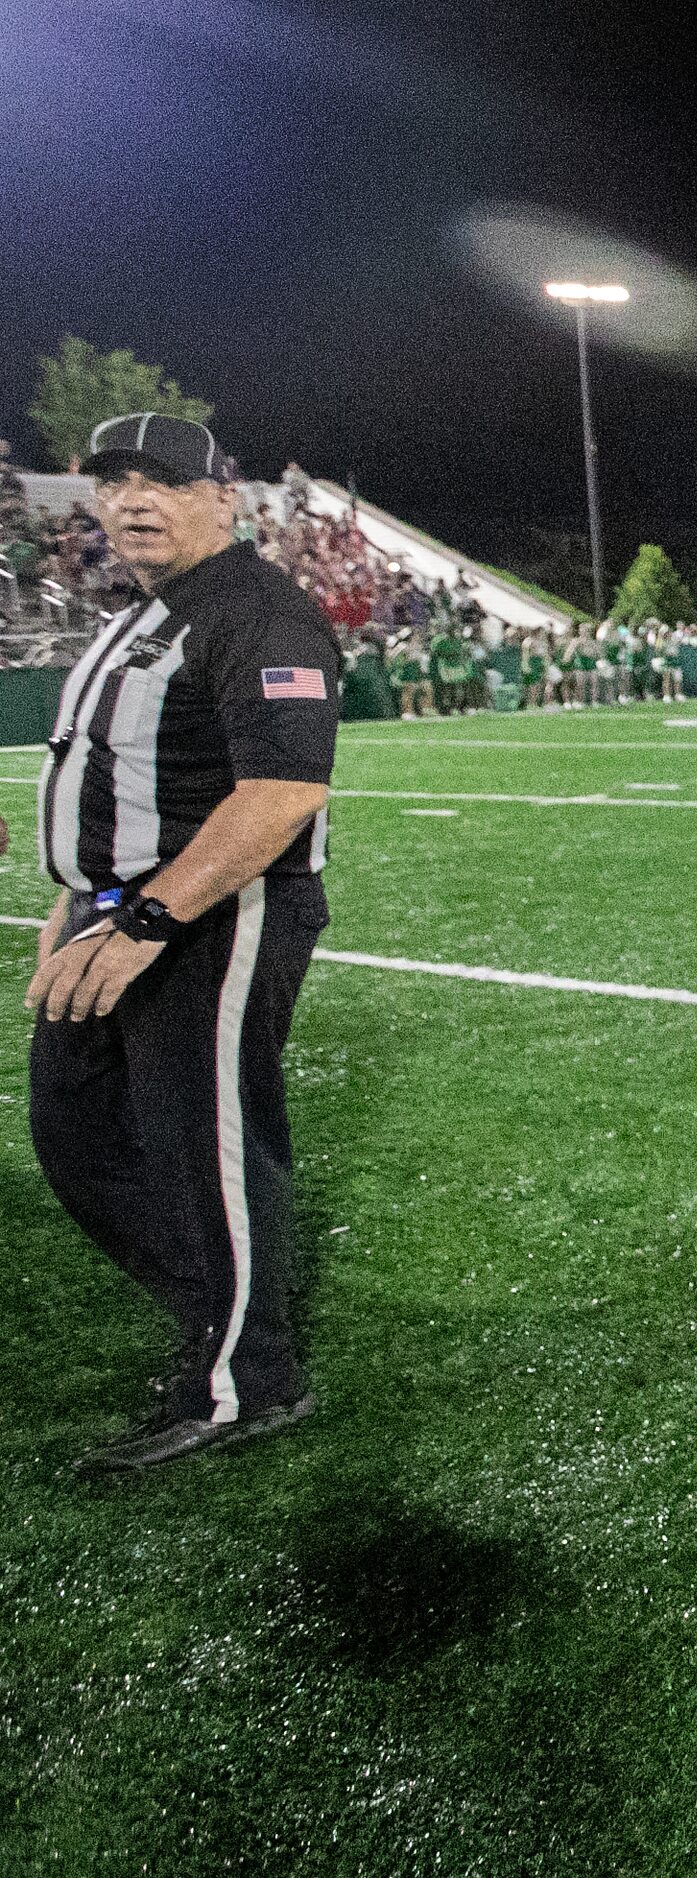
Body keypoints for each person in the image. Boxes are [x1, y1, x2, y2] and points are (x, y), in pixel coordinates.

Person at [25, 414, 338, 1473]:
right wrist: (67, 910)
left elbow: (285, 791)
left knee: (208, 1146)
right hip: (110, 913)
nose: (130, 500)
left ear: (224, 498)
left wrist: (152, 917)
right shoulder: (148, 609)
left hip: (210, 917)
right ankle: (224, 1303)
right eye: (113, 484)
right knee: (78, 1132)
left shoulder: (255, 609)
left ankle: (246, 1379)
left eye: (161, 480)